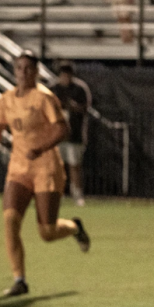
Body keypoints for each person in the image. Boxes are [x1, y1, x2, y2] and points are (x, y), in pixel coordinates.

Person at [0, 51, 91, 297]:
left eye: (29, 68)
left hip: (46, 168)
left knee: (47, 233)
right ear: (14, 71)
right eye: (19, 68)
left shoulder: (45, 98)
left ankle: (74, 226)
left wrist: (40, 148)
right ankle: (19, 280)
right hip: (19, 168)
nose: (23, 72)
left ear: (37, 72)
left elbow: (63, 128)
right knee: (10, 220)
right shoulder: (6, 99)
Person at [49, 62, 92, 207]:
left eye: (67, 75)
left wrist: (75, 107)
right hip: (57, 135)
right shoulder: (53, 88)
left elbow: (86, 108)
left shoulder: (79, 89)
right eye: (62, 75)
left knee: (75, 166)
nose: (65, 78)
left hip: (75, 134)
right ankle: (57, 193)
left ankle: (77, 194)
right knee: (57, 166)